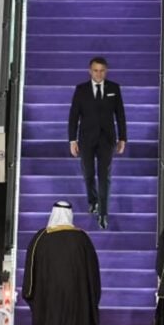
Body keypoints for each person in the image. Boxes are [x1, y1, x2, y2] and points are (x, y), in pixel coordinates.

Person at [22, 201, 104, 325]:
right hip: (78, 298)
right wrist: (92, 297)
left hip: (48, 298)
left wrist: (30, 294)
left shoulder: (41, 238)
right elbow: (93, 273)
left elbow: (30, 270)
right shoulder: (82, 238)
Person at [67, 57, 127, 230]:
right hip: (86, 139)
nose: (99, 74)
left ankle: (103, 214)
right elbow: (73, 116)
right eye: (95, 70)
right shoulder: (81, 89)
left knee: (104, 177)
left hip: (107, 140)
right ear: (90, 71)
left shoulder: (114, 88)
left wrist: (123, 138)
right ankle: (92, 200)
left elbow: (120, 115)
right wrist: (72, 140)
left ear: (106, 71)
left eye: (102, 70)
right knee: (88, 174)